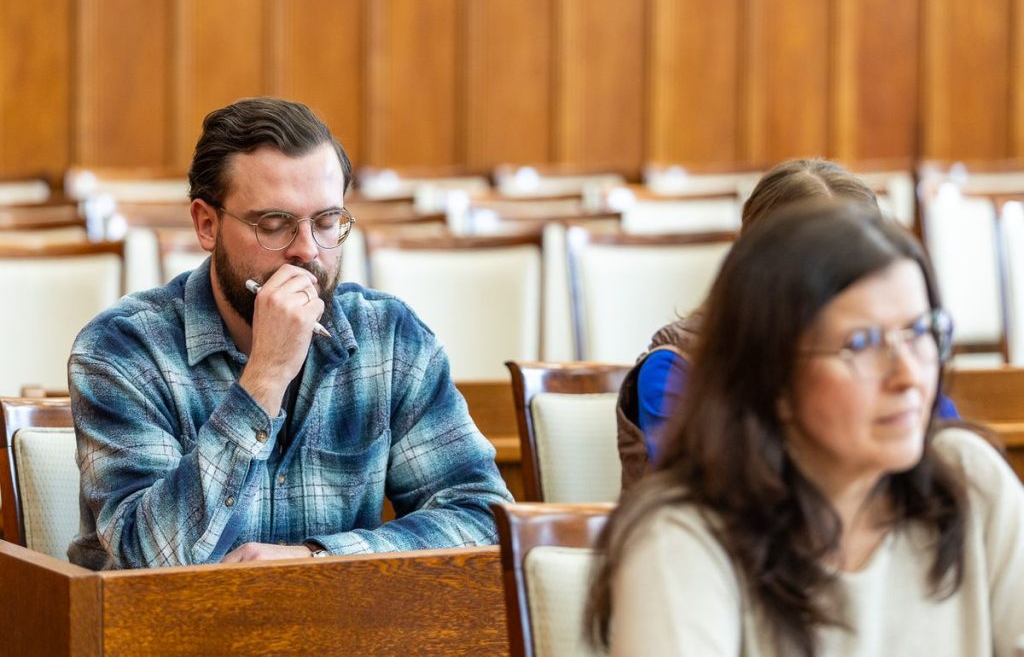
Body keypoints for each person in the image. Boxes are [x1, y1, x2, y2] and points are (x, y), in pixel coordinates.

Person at [68, 97, 513, 569]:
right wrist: (264, 378)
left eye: (326, 222)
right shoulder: (121, 351)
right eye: (274, 225)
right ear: (206, 223)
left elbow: (482, 517)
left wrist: (317, 559)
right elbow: (151, 564)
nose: (307, 251)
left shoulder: (390, 338)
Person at [588, 202, 1024, 656]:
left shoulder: (970, 479)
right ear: (769, 373)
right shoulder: (681, 534)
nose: (909, 375)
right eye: (862, 343)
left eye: (920, 332)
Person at [616, 159, 959, 486]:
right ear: (760, 271)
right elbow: (711, 509)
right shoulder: (677, 367)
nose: (838, 291)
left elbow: (945, 461)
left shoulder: (899, 355)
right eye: (822, 273)